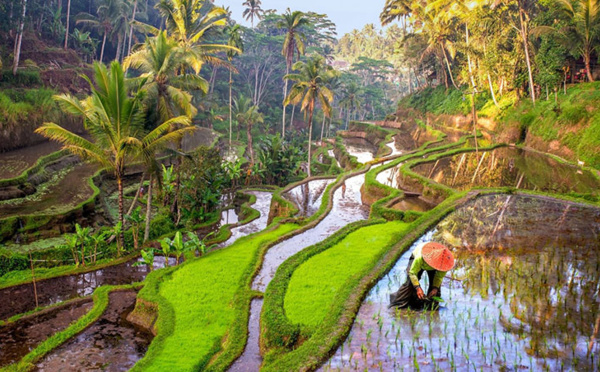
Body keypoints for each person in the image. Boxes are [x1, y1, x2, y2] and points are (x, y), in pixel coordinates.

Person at [389, 241, 455, 310]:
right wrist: (418, 288)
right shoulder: (420, 257)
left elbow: (439, 277)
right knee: (410, 284)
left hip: (433, 263)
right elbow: (412, 273)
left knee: (436, 290)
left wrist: (435, 288)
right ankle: (397, 304)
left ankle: (431, 306)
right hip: (419, 261)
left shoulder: (445, 264)